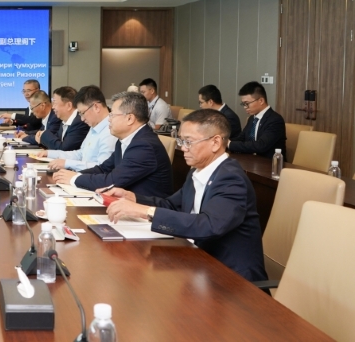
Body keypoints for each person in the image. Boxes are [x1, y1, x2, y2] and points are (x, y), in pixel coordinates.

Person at [104, 109, 268, 282]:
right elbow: (173, 205)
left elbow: (209, 225)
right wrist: (133, 198)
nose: (183, 148)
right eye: (181, 141)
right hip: (199, 263)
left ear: (215, 142)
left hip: (232, 279)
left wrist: (145, 211)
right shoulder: (197, 171)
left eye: (188, 142)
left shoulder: (231, 179)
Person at [53, 91, 172, 198]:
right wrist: (74, 174)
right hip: (124, 204)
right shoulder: (124, 140)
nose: (109, 119)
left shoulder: (144, 146)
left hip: (146, 209)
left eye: (112, 115)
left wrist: (74, 178)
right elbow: (103, 168)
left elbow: (111, 181)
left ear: (130, 119)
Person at [39, 85, 116, 171]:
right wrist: (50, 153)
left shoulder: (111, 131)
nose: (82, 119)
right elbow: (80, 154)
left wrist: (67, 164)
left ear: (96, 107)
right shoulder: (94, 126)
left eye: (83, 113)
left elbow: (102, 168)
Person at [228, 81, 286, 158]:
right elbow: (242, 138)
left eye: (247, 103)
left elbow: (261, 145)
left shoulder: (275, 120)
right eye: (243, 104)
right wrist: (224, 141)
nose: (245, 107)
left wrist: (230, 144)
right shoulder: (252, 118)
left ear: (261, 101)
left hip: (269, 162)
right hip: (251, 160)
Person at [36, 86, 89, 151]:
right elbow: (57, 140)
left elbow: (64, 149)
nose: (53, 107)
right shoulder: (64, 121)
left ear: (69, 106)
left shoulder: (79, 122)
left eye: (55, 103)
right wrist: (41, 138)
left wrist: (44, 135)